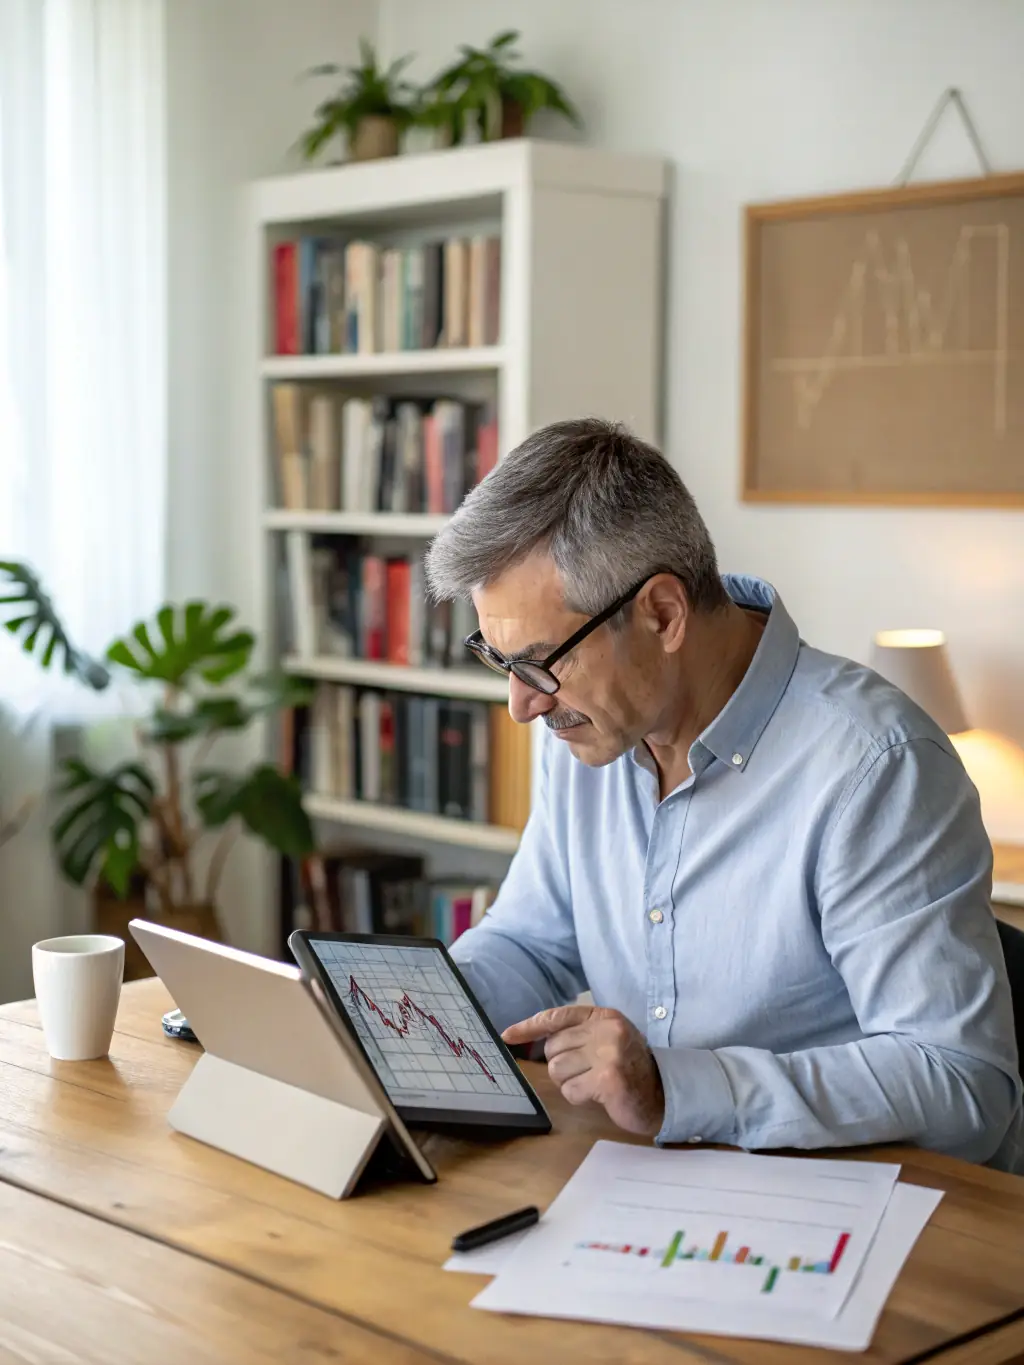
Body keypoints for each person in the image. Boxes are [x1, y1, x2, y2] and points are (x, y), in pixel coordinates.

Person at [425, 417, 1023, 1173]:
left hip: (860, 1204)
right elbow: (531, 944)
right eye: (501, 660)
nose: (522, 705)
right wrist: (412, 1013)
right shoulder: (584, 731)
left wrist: (676, 1088)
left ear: (663, 614)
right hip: (650, 1182)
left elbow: (963, 1085)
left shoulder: (876, 767)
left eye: (542, 663)